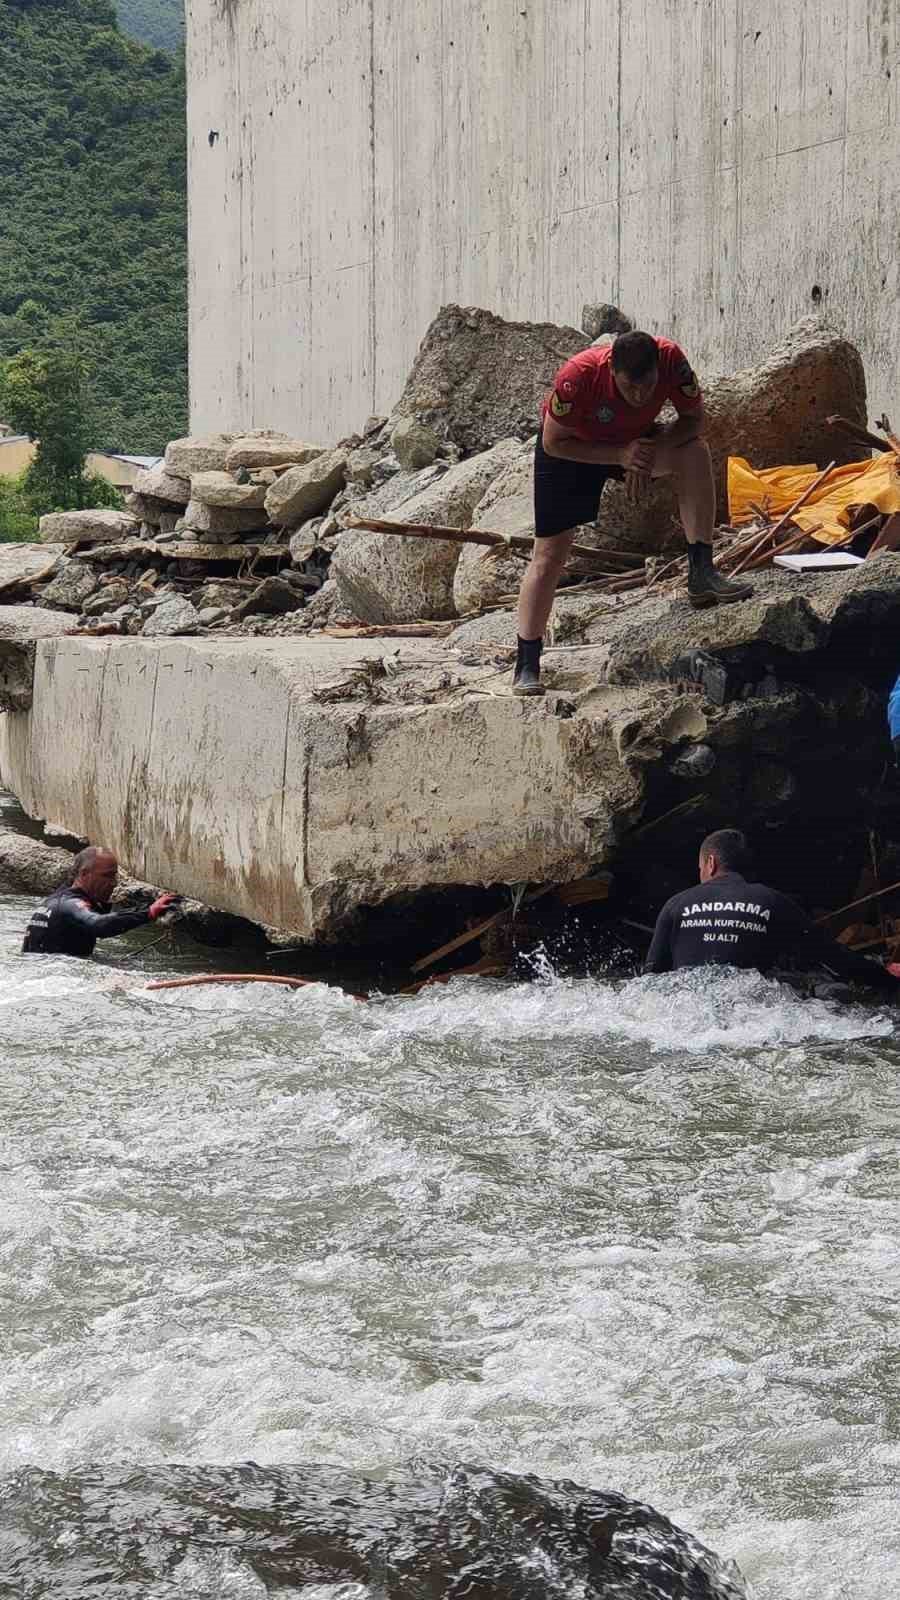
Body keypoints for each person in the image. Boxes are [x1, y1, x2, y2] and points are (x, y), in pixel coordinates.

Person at [513, 331, 753, 696]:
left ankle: (701, 570)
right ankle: (526, 662)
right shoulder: (578, 376)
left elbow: (693, 419)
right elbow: (552, 441)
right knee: (549, 556)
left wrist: (648, 452)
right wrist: (621, 456)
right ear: (612, 368)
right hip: (574, 451)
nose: (640, 396)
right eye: (630, 389)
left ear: (659, 369)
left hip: (637, 444)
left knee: (694, 453)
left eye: (648, 387)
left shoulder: (673, 361)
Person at [645, 827, 900, 993]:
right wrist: (885, 977)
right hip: (752, 1010)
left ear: (710, 863)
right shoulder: (773, 901)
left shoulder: (676, 904)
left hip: (685, 1013)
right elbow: (831, 955)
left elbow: (650, 979)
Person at [22, 846, 177, 958]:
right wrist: (149, 913)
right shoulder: (71, 904)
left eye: (115, 876)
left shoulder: (55, 899)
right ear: (84, 874)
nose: (114, 883)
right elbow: (98, 925)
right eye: (107, 876)